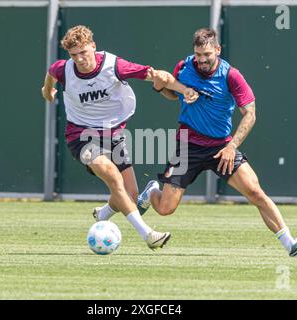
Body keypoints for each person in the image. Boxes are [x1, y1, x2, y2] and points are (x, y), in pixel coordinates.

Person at [137, 28, 297, 257]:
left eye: (207, 55)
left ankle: (291, 244)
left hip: (221, 147)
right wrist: (160, 87)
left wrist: (232, 147)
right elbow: (174, 94)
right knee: (165, 209)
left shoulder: (231, 75)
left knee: (255, 191)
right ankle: (152, 190)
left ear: (218, 50)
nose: (201, 60)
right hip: (187, 145)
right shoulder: (184, 66)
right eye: (198, 55)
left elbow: (250, 114)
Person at [41, 25, 198, 250]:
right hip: (82, 135)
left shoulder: (113, 65)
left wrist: (183, 90)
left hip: (114, 134)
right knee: (113, 176)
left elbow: (154, 75)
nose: (80, 59)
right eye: (74, 55)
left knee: (130, 194)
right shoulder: (63, 69)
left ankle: (104, 213)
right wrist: (47, 91)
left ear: (93, 47)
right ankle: (148, 235)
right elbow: (50, 75)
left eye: (83, 52)